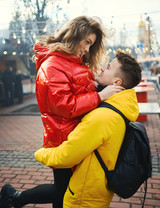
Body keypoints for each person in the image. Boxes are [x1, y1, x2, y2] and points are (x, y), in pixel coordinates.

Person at [0, 16, 124, 208]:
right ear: (75, 35)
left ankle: (14, 197)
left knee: (65, 190)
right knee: (64, 192)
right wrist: (100, 96)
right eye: (87, 42)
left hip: (77, 137)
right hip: (63, 139)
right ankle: (15, 197)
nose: (88, 49)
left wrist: (101, 87)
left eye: (91, 45)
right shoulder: (54, 65)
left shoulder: (76, 63)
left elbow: (81, 91)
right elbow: (64, 106)